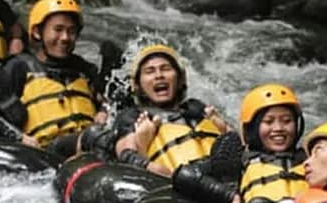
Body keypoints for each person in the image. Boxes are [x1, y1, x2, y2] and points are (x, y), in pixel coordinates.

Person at [0, 0, 108, 159]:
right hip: (45, 152)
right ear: (37, 32)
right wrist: (19, 138)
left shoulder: (85, 69)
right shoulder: (19, 67)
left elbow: (105, 103)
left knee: (101, 135)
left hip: (89, 144)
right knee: (95, 136)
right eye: (58, 30)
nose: (65, 38)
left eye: (71, 31)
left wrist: (103, 112)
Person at [78, 43, 236, 177]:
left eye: (166, 69)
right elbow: (126, 154)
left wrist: (225, 130)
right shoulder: (133, 116)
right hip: (175, 182)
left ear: (180, 79)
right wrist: (144, 150)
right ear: (138, 85)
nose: (159, 76)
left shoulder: (197, 108)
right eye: (149, 71)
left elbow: (241, 145)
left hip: (220, 176)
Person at [169, 83, 308, 203]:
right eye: (268, 122)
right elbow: (184, 175)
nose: (279, 128)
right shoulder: (238, 158)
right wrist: (232, 197)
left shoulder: (311, 159)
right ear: (252, 128)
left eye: (287, 121)